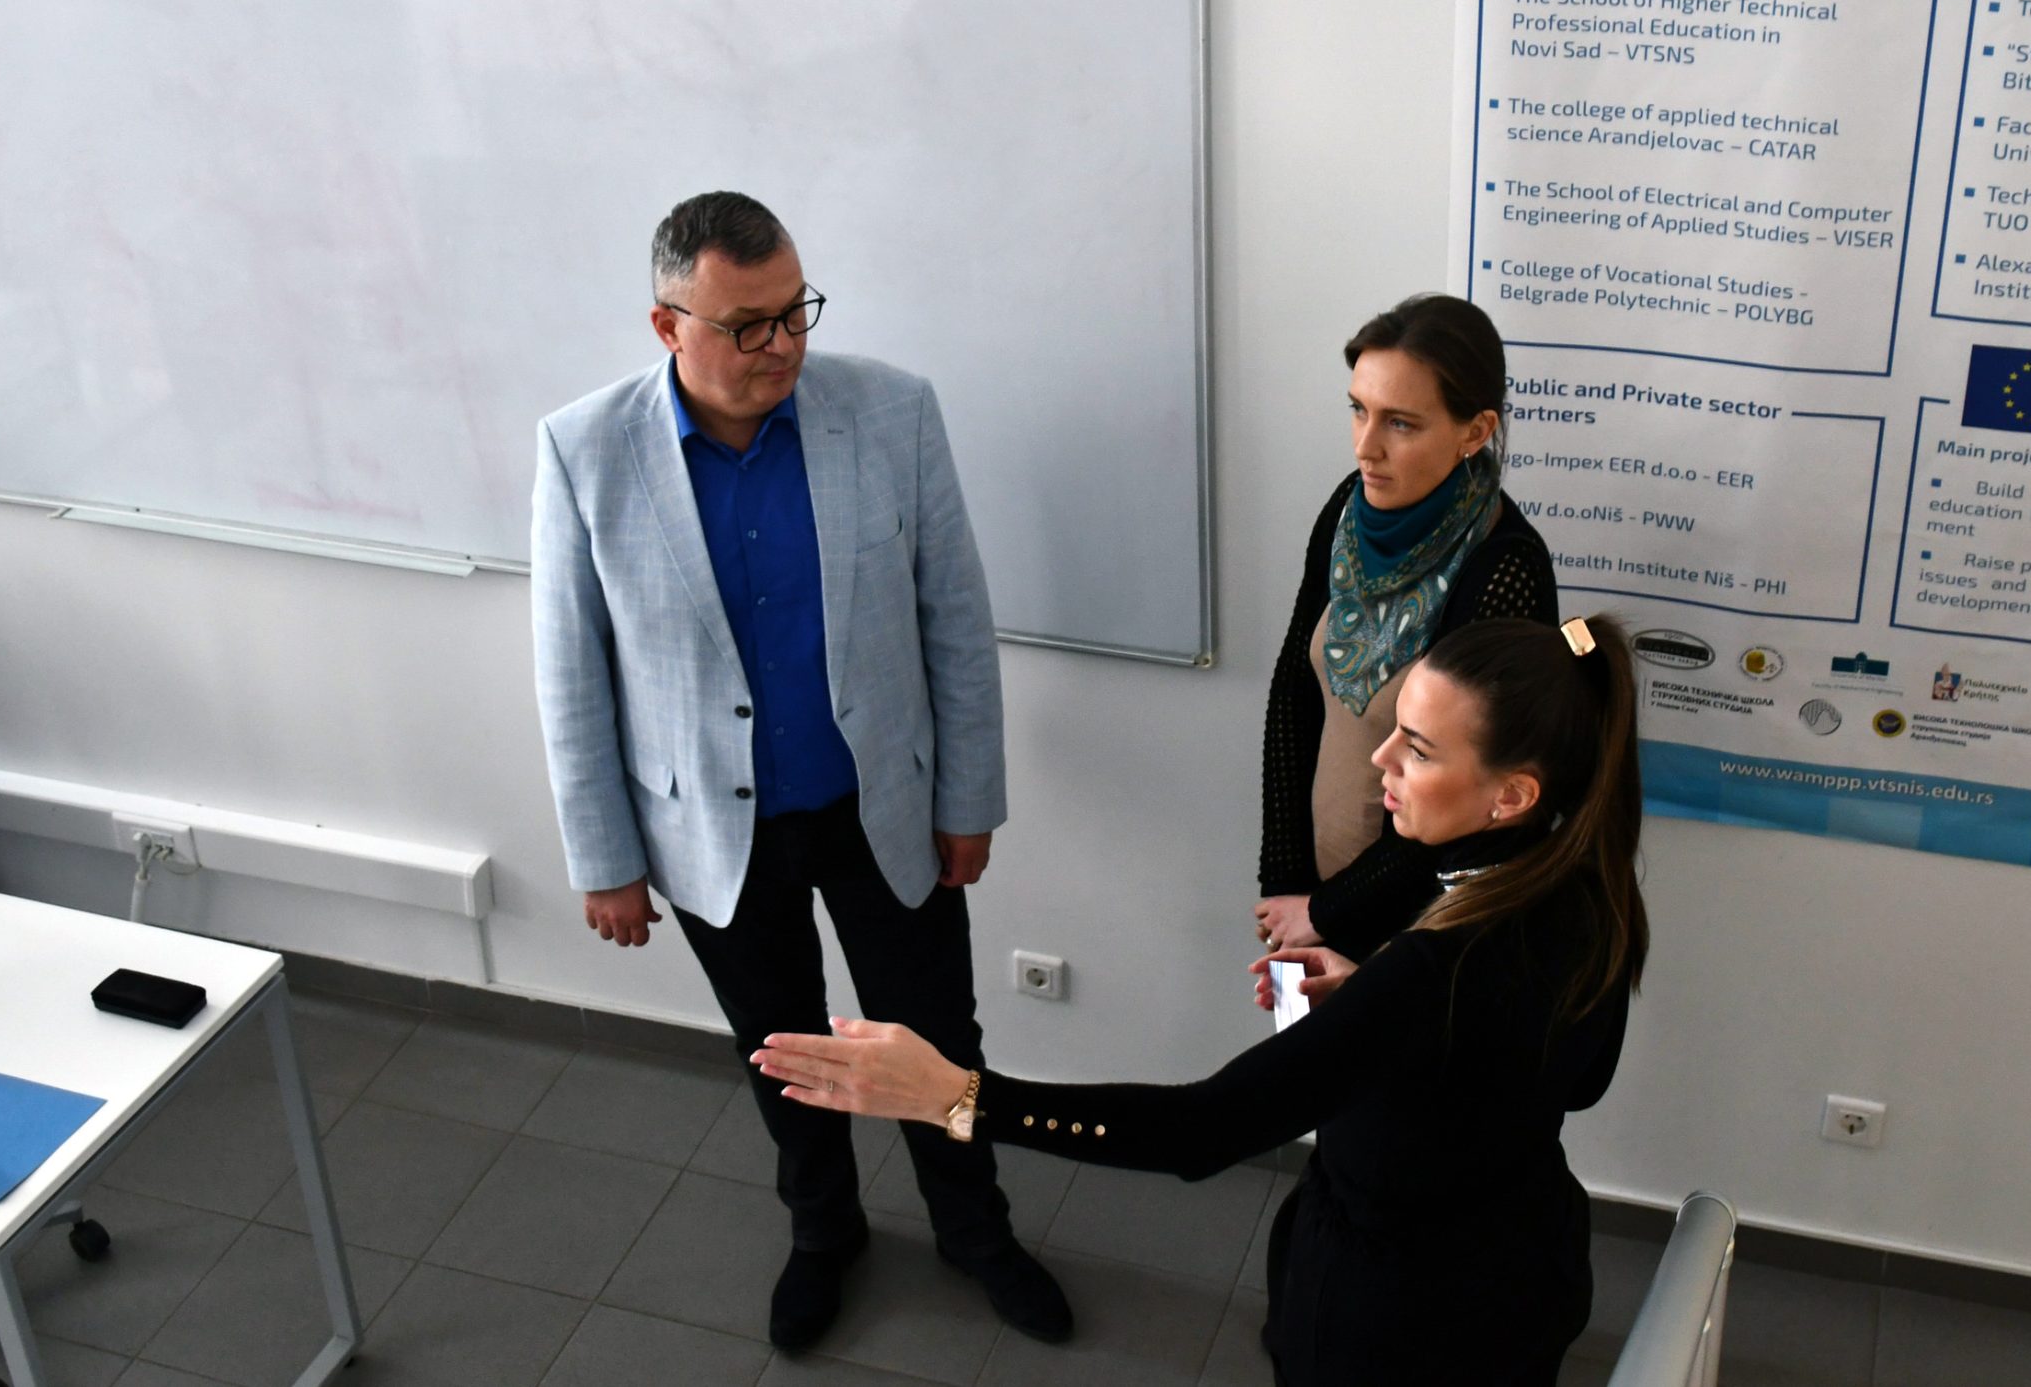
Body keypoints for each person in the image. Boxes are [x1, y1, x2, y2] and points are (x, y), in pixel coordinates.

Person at [755, 613, 1648, 1387]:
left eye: (1417, 748)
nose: (1381, 757)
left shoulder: (1431, 970)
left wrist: (954, 1096)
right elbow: (1577, 1079)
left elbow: (1200, 1131)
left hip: (1401, 1314)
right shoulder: (1590, 895)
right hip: (1526, 1269)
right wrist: (1374, 1009)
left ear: (1512, 794)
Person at [530, 191, 1070, 1350]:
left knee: (938, 1041)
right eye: (747, 326)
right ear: (667, 325)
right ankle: (825, 1233)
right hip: (712, 832)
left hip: (884, 807)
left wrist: (968, 800)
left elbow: (954, 621)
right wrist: (605, 860)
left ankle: (974, 1230)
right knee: (779, 1050)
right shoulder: (584, 449)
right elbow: (570, 673)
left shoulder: (891, 411)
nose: (780, 346)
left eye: (794, 313)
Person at [1256, 294, 1558, 963]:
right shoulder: (1348, 508)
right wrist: (1284, 879)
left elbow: (1476, 794)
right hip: (1310, 899)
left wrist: (1328, 911)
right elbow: (1294, 688)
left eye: (1400, 423)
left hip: (1418, 924)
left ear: (1475, 431)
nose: (1367, 447)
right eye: (1358, 410)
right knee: (1298, 1037)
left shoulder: (1504, 567)